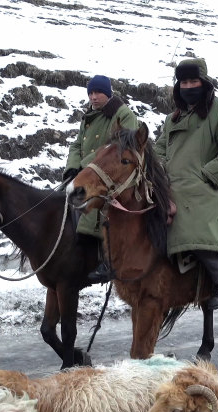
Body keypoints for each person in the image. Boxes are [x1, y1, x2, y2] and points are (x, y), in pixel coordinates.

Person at [154, 58, 218, 310]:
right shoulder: (172, 119)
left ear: (205, 83)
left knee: (190, 220)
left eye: (193, 81)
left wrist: (207, 175)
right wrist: (160, 173)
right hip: (171, 185)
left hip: (206, 187)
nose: (188, 86)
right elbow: (158, 151)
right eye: (183, 82)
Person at [64, 75, 138, 283]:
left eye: (98, 93)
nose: (93, 97)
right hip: (87, 172)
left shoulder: (122, 114)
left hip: (110, 176)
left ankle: (110, 260)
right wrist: (72, 168)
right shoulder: (89, 116)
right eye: (90, 93)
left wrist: (84, 167)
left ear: (108, 93)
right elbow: (77, 145)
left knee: (107, 210)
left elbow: (114, 148)